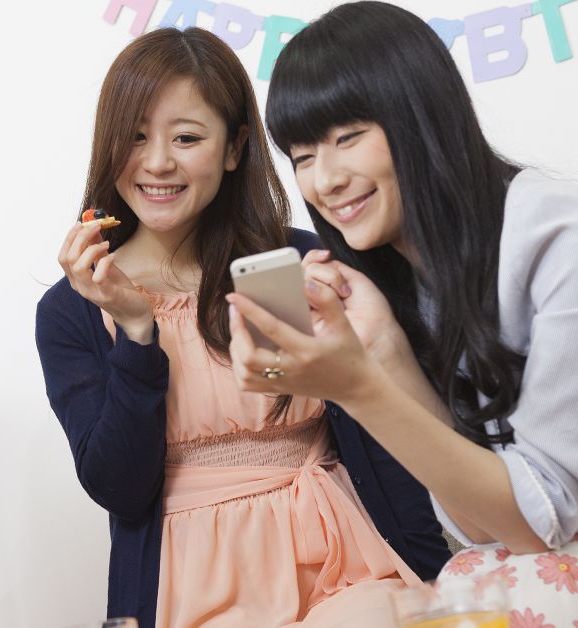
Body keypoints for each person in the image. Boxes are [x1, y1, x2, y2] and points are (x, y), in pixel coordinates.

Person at [36, 27, 448, 628]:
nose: (157, 161)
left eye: (186, 137)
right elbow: (121, 489)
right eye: (135, 136)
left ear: (234, 148)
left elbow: (383, 438)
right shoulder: (75, 306)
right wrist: (136, 331)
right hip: (190, 586)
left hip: (345, 564)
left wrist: (441, 579)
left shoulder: (289, 264)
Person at [228, 1, 578, 623]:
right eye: (303, 156)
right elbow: (483, 526)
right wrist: (385, 350)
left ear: (422, 116)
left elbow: (541, 524)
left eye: (348, 138)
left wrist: (358, 387)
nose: (325, 180)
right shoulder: (412, 279)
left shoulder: (559, 241)